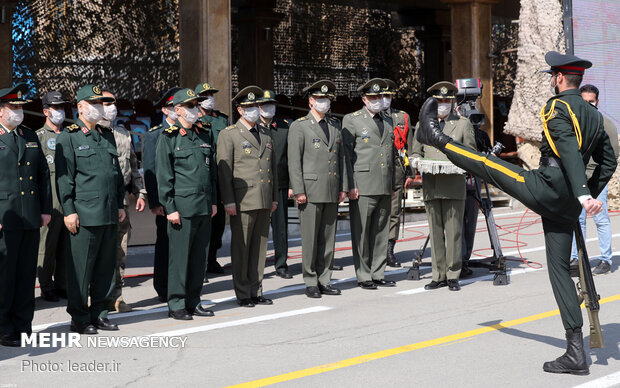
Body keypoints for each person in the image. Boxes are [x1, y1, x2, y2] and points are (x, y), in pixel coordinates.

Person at [414, 51, 617, 375]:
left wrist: (581, 193)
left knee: (488, 164)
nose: (552, 81)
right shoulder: (594, 116)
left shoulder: (557, 106)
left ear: (559, 78)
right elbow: (609, 159)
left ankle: (434, 137)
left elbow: (566, 149)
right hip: (565, 203)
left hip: (549, 186)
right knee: (560, 271)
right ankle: (576, 353)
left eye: (553, 76)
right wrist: (588, 190)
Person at [55, 84, 125, 335]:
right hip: (84, 214)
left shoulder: (106, 135)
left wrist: (119, 204)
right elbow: (65, 179)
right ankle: (79, 317)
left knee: (106, 268)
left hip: (107, 212)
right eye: (94, 104)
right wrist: (69, 210)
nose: (99, 108)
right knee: (81, 270)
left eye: (101, 104)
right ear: (80, 107)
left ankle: (100, 312)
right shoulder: (69, 136)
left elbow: (115, 175)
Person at [155, 88, 218, 320]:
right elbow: (164, 177)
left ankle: (194, 300)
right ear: (178, 109)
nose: (195, 110)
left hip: (203, 206)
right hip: (181, 208)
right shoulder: (168, 137)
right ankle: (177, 303)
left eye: (196, 105)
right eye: (190, 106)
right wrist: (170, 208)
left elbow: (210, 172)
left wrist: (212, 202)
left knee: (199, 259)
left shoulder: (204, 133)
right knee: (179, 259)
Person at [410, 82, 476, 291]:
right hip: (431, 184)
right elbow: (415, 151)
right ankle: (438, 274)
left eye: (447, 101)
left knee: (454, 231)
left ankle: (453, 274)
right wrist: (416, 163)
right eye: (439, 101)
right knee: (435, 231)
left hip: (454, 185)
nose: (443, 105)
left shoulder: (462, 124)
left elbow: (471, 154)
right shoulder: (423, 124)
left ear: (452, 102)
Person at [0, 84, 52, 347]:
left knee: (25, 275)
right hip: (5, 217)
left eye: (21, 107)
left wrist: (45, 209)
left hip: (30, 215)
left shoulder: (28, 135)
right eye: (13, 108)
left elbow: (43, 175)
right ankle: (4, 327)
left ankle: (23, 325)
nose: (19, 112)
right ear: (1, 111)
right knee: (5, 276)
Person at [217, 85, 278, 307]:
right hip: (242, 200)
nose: (254, 110)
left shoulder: (265, 133)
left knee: (260, 247)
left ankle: (256, 289)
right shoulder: (229, 134)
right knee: (241, 248)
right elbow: (224, 171)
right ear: (240, 109)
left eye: (256, 106)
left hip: (263, 197)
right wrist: (228, 200)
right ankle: (243, 293)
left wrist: (273, 197)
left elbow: (272, 168)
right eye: (249, 106)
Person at [288, 80, 347, 298]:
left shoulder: (334, 126)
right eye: (320, 99)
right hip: (310, 191)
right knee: (311, 239)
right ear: (311, 101)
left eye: (327, 99)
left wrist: (343, 187)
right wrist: (298, 189)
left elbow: (341, 159)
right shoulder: (300, 126)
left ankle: (325, 279)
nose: (324, 103)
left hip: (331, 189)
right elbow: (294, 162)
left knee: (328, 239)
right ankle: (310, 279)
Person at [343, 78, 396, 290]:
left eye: (380, 97)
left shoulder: (388, 120)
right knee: (363, 232)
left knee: (381, 231)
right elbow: (346, 155)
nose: (378, 100)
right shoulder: (352, 119)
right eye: (373, 97)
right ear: (365, 99)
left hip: (384, 183)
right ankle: (364, 275)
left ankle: (378, 272)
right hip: (362, 184)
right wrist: (350, 185)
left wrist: (392, 183)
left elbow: (390, 155)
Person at [100, 90, 147, 313]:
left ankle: (116, 297)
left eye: (114, 103)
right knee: (100, 251)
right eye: (106, 102)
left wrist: (140, 192)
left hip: (122, 201)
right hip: (98, 201)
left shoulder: (123, 133)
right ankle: (97, 295)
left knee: (120, 249)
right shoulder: (91, 134)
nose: (111, 106)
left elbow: (133, 166)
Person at [570, 84, 619, 275]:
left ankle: (606, 259)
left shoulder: (605, 124)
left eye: (592, 101)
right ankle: (576, 257)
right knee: (577, 219)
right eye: (584, 101)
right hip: (577, 180)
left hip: (597, 180)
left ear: (597, 101)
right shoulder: (573, 124)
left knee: (601, 219)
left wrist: (599, 180)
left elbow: (612, 155)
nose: (588, 105)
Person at [143, 87, 181, 302]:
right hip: (165, 201)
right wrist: (155, 202)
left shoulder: (189, 130)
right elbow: (150, 170)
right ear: (166, 110)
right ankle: (163, 287)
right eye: (175, 107)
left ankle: (180, 284)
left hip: (185, 198)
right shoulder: (155, 134)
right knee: (165, 244)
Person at [36, 90, 69, 302]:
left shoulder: (70, 135)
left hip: (69, 198)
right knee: (46, 245)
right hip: (50, 199)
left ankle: (63, 284)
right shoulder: (38, 137)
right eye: (55, 108)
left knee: (67, 246)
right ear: (46, 111)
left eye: (62, 107)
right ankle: (46, 285)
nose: (60, 111)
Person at [258, 89, 294, 279]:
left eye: (271, 104)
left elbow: (290, 159)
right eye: (264, 105)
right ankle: (255, 267)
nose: (268, 108)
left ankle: (281, 264)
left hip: (279, 184)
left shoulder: (284, 127)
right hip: (257, 186)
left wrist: (291, 185)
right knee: (258, 229)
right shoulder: (252, 127)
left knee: (280, 228)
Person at [195, 82, 229, 275]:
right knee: (204, 221)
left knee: (218, 222)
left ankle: (212, 258)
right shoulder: (194, 119)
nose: (209, 98)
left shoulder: (221, 119)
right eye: (205, 95)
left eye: (211, 94)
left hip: (219, 175)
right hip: (203, 175)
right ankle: (201, 262)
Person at [381, 79, 414, 268]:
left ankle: (389, 250)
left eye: (388, 95)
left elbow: (409, 146)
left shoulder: (403, 117)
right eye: (382, 96)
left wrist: (410, 172)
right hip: (376, 170)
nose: (385, 99)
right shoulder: (370, 117)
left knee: (394, 212)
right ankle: (374, 249)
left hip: (397, 170)